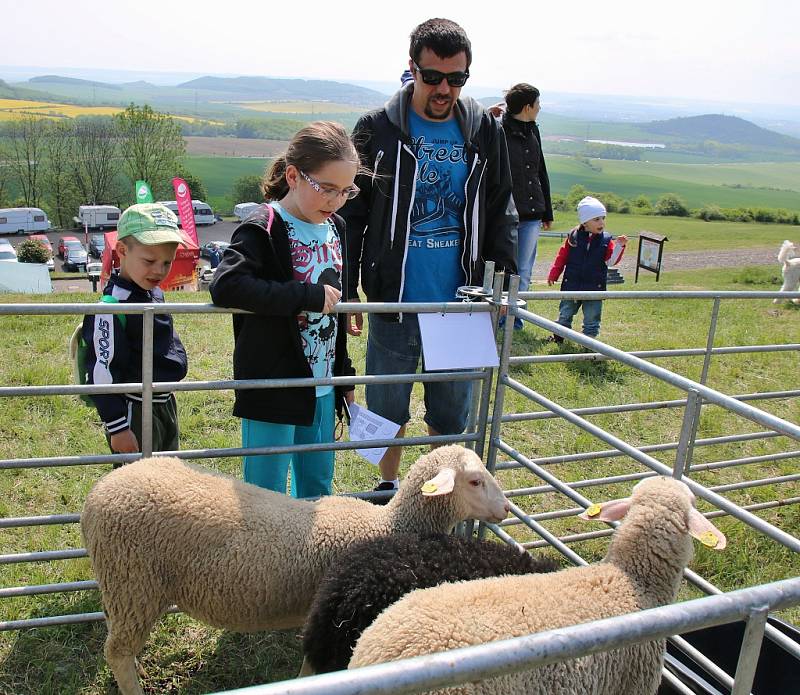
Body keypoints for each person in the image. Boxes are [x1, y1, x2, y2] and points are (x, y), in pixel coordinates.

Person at [341, 18, 518, 492]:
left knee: (450, 413)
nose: (444, 88)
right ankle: (386, 493)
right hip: (394, 298)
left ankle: (443, 499)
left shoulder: (483, 130)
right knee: (384, 407)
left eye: (457, 78)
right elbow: (351, 215)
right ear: (412, 69)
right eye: (433, 76)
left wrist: (501, 282)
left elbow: (502, 208)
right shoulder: (377, 128)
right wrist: (348, 288)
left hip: (461, 301)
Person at [210, 121, 357, 498]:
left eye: (345, 191)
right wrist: (305, 296)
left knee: (318, 490)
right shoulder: (263, 226)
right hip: (274, 386)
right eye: (326, 189)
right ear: (293, 175)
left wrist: (344, 378)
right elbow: (227, 285)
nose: (335, 201)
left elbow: (333, 309)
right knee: (265, 495)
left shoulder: (336, 227)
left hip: (322, 387)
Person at [81, 203, 188, 461]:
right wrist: (117, 427)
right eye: (149, 261)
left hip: (163, 402)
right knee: (138, 485)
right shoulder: (112, 307)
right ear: (122, 250)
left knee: (167, 477)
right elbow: (101, 370)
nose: (159, 271)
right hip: (134, 408)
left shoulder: (154, 293)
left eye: (167, 262)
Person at [499, 83, 553, 329]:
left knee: (524, 270)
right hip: (505, 213)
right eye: (538, 104)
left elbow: (540, 170)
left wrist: (547, 210)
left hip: (532, 213)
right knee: (503, 268)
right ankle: (499, 317)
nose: (540, 108)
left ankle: (516, 319)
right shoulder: (499, 130)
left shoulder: (534, 131)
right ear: (528, 106)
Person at [547, 196, 627, 342]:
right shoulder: (573, 237)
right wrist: (554, 273)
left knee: (592, 318)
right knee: (565, 313)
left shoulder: (606, 240)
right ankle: (558, 337)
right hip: (571, 284)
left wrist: (619, 247)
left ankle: (589, 343)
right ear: (585, 222)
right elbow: (562, 257)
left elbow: (610, 261)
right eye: (596, 219)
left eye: (603, 218)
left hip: (594, 287)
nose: (601, 222)